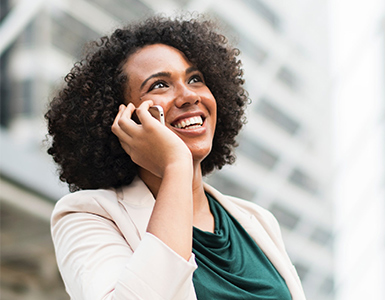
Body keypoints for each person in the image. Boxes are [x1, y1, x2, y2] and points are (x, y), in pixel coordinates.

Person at [46, 14, 306, 300]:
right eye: (159, 85)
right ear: (124, 118)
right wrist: (176, 165)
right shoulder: (86, 216)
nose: (188, 96)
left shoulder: (257, 221)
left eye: (195, 79)